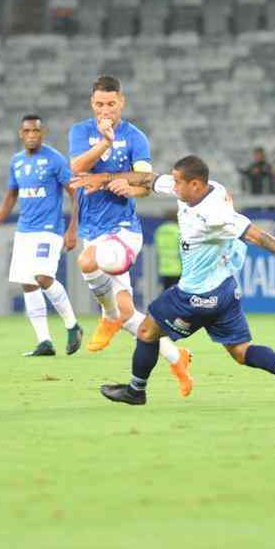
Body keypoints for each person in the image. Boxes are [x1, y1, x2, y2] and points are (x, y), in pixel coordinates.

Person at [71, 155, 275, 407]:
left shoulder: (213, 213)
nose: (173, 186)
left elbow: (254, 234)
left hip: (195, 295)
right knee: (241, 351)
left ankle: (136, 391)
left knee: (146, 331)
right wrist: (104, 177)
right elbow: (147, 179)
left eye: (178, 182)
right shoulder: (209, 189)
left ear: (195, 184)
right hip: (225, 290)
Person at [68, 75, 193, 394]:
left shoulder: (135, 136)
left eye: (111, 103)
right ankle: (177, 357)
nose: (105, 110)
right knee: (129, 315)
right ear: (91, 103)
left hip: (123, 230)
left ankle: (106, 315)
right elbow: (78, 167)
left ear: (121, 101)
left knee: (87, 262)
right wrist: (105, 143)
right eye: (99, 104)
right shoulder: (81, 132)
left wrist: (130, 187)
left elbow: (145, 180)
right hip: (92, 228)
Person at [0, 115, 83, 356]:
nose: (31, 135)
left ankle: (73, 326)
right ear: (21, 133)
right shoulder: (17, 162)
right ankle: (44, 342)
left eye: (36, 131)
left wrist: (73, 229)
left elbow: (75, 193)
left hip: (49, 230)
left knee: (42, 276)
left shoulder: (55, 160)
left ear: (43, 133)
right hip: (24, 231)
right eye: (27, 131)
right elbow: (11, 196)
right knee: (28, 284)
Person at [153, 210, 182, 290]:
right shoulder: (178, 231)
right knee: (177, 293)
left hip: (164, 267)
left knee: (166, 290)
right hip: (177, 268)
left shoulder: (160, 230)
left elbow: (157, 246)